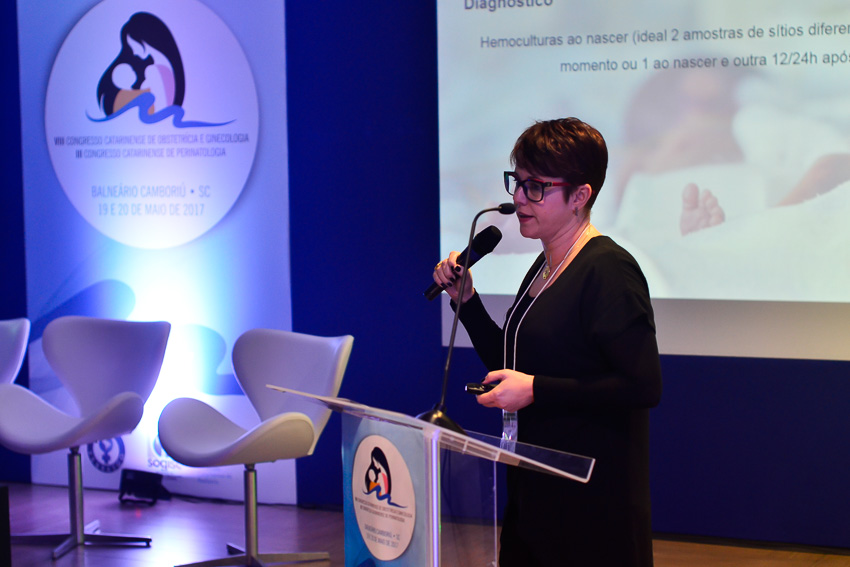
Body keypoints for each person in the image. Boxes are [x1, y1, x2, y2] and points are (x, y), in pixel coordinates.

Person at [433, 117, 663, 566]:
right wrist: (467, 302)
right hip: (535, 488)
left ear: (580, 196)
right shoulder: (543, 268)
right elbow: (510, 363)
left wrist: (537, 390)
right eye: (517, 182)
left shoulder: (609, 270)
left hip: (591, 503)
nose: (519, 198)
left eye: (536, 186)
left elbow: (643, 386)